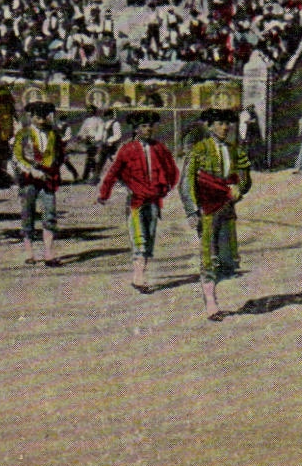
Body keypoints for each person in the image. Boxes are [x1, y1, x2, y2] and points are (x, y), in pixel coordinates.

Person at [178, 107, 252, 321]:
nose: (225, 127)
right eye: (219, 123)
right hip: (207, 210)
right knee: (209, 256)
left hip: (227, 209)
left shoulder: (234, 150)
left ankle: (212, 291)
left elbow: (245, 178)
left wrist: (241, 187)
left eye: (227, 123)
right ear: (209, 126)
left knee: (228, 260)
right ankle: (211, 303)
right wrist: (192, 210)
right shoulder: (199, 149)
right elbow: (186, 181)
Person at [96, 109, 177, 291]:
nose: (148, 129)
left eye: (150, 126)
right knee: (139, 238)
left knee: (149, 237)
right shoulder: (127, 149)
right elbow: (113, 172)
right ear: (135, 129)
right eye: (143, 126)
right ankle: (139, 278)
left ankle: (140, 274)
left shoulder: (159, 148)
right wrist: (104, 193)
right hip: (136, 201)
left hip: (154, 200)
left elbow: (172, 170)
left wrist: (164, 188)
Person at [11, 101, 64, 267]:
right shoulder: (23, 134)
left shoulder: (53, 134)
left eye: (44, 117)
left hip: (48, 178)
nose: (41, 121)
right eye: (37, 117)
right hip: (29, 179)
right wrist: (31, 170)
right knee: (28, 213)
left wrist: (52, 169)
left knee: (49, 214)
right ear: (31, 117)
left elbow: (60, 155)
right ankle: (29, 253)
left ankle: (49, 253)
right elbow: (17, 157)